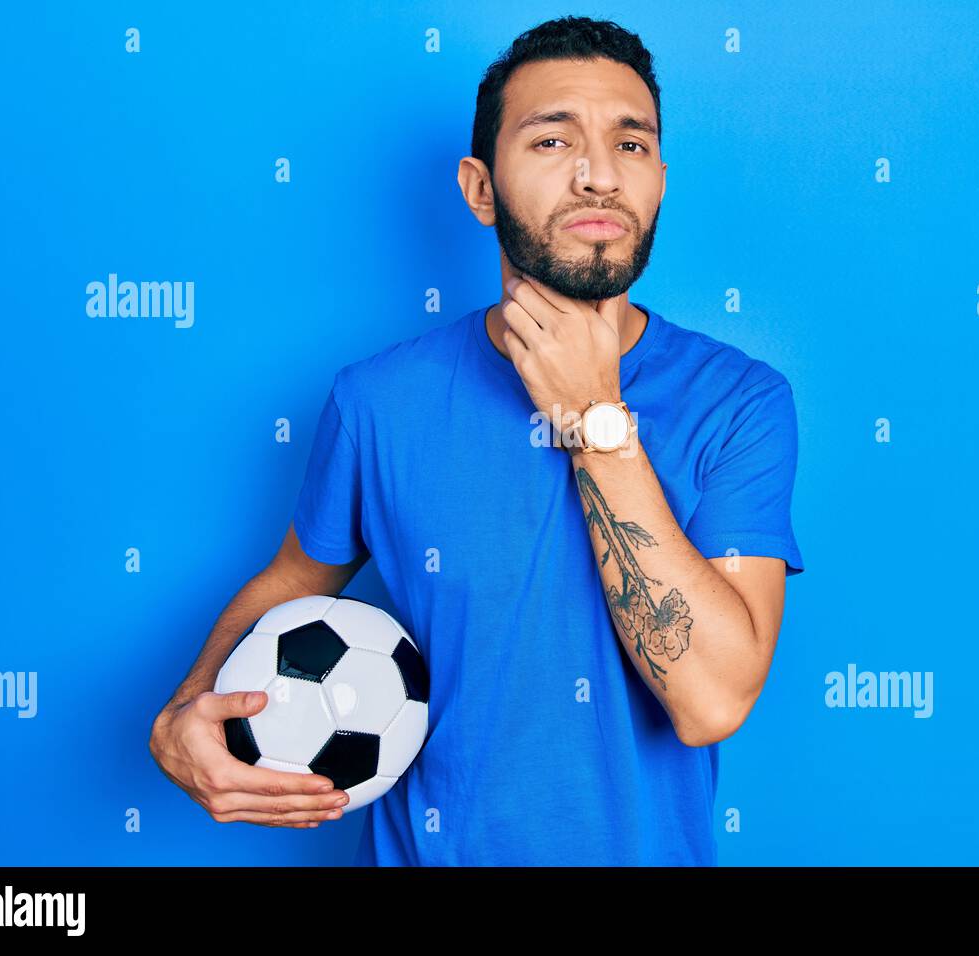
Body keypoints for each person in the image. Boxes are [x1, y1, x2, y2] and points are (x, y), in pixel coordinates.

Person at [149, 15, 805, 866]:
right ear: (480, 187)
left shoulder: (740, 402)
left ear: (660, 181)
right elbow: (292, 581)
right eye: (551, 140)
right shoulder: (376, 401)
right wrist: (184, 711)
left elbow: (709, 701)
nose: (599, 175)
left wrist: (595, 421)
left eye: (631, 146)